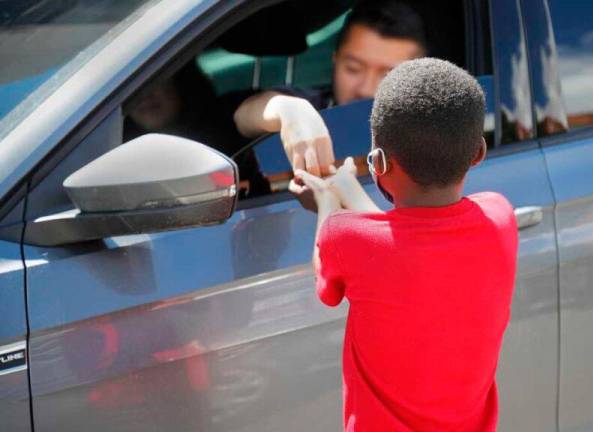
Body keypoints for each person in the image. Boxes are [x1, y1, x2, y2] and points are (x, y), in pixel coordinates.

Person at [295, 58, 519, 431]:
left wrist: (329, 203)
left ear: (378, 162)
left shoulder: (343, 237)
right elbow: (406, 247)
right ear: (478, 153)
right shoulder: (500, 217)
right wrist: (351, 193)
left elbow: (329, 280)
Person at [233, 0, 428, 177]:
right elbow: (245, 116)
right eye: (353, 69)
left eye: (388, 75)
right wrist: (287, 110)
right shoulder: (317, 107)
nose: (366, 89)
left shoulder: (435, 135)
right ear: (335, 60)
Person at [125, 62, 271, 198]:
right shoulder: (112, 148)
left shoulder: (222, 120)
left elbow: (259, 109)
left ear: (181, 79)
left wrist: (283, 109)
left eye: (155, 79)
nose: (144, 95)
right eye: (132, 85)